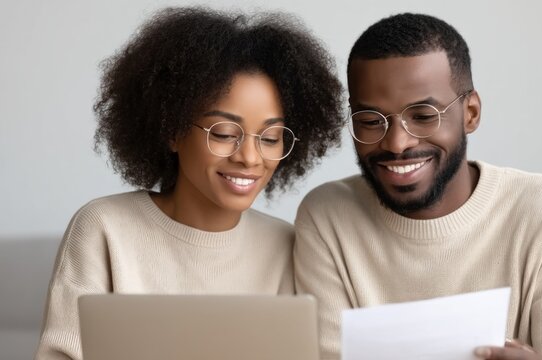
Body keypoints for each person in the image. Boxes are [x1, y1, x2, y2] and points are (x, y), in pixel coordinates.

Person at [294, 12, 542, 360]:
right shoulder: (328, 216)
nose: (397, 143)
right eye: (371, 121)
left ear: (471, 113)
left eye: (422, 116)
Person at [36, 6, 343, 360]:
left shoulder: (288, 245)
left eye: (271, 138)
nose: (250, 157)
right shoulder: (104, 228)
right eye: (225, 133)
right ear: (172, 131)